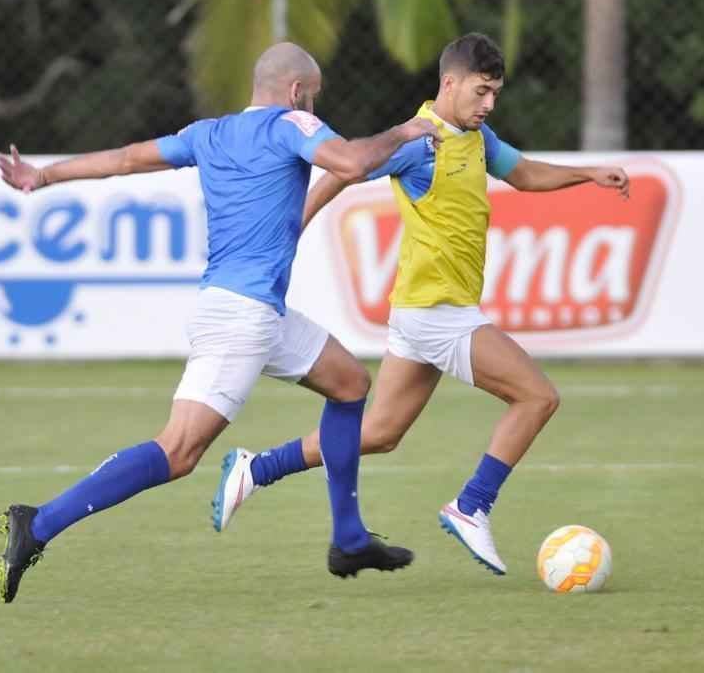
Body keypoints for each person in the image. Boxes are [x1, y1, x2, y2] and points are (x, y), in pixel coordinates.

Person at [0, 42, 440, 603]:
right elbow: (349, 163)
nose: (316, 106)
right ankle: (39, 523)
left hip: (254, 311)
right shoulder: (292, 123)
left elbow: (129, 158)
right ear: (298, 91)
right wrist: (403, 132)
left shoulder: (210, 132)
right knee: (179, 451)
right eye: (315, 96)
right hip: (240, 320)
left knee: (350, 383)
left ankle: (348, 538)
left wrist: (45, 176)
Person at [211, 33, 630, 576]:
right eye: (481, 92)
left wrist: (588, 175)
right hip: (438, 311)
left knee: (380, 434)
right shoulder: (419, 141)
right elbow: (346, 169)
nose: (488, 104)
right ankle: (472, 505)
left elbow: (522, 174)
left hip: (420, 311)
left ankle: (257, 468)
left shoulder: (478, 137)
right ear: (449, 83)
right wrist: (297, 222)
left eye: (495, 94)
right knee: (537, 398)